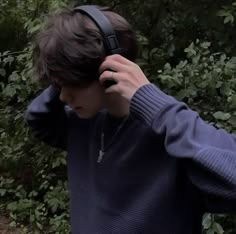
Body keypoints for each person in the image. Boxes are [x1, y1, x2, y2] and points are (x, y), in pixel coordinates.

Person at [25, 3, 236, 234]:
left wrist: (153, 103)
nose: (63, 96)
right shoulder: (82, 124)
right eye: (58, 87)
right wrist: (64, 70)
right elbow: (38, 119)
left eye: (72, 84)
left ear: (109, 67)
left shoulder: (173, 140)